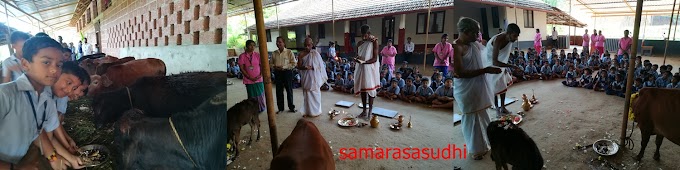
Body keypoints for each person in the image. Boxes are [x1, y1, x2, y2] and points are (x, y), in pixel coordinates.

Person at [0, 36, 85, 170]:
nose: (54, 70)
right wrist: (14, 168)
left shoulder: (46, 101)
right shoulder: (5, 94)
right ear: (25, 64)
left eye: (59, 65)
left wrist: (56, 158)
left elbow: (38, 133)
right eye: (46, 62)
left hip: (24, 158)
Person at [451, 17, 502, 160]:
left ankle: (491, 142)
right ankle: (476, 149)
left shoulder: (474, 45)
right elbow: (460, 73)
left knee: (483, 114)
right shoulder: (457, 47)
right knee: (471, 117)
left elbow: (487, 56)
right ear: (466, 32)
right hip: (466, 89)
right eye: (475, 33)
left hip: (478, 85)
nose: (477, 36)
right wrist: (485, 70)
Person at [51, 62, 90, 154]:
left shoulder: (50, 98)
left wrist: (68, 141)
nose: (69, 90)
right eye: (81, 90)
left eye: (73, 87)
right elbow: (53, 126)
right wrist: (67, 147)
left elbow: (53, 125)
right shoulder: (47, 96)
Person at [482, 23, 521, 115]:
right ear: (508, 33)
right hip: (491, 63)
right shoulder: (498, 40)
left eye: (517, 36)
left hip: (500, 64)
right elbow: (494, 61)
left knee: (503, 85)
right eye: (514, 36)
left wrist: (506, 66)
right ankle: (497, 108)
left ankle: (503, 107)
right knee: (494, 86)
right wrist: (511, 66)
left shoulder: (509, 40)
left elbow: (503, 56)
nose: (516, 39)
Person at [353, 25, 381, 119]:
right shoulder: (360, 43)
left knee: (371, 90)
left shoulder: (374, 42)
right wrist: (356, 59)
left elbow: (374, 58)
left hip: (369, 69)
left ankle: (370, 111)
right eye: (362, 35)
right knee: (363, 90)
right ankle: (364, 110)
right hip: (361, 68)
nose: (363, 37)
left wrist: (365, 62)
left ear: (369, 34)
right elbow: (358, 55)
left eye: (365, 35)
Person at [297, 37, 328, 117]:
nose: (307, 47)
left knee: (316, 94)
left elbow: (321, 66)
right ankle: (308, 111)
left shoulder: (316, 54)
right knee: (307, 95)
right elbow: (299, 66)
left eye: (308, 45)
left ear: (312, 45)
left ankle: (316, 111)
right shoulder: (301, 54)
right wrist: (305, 67)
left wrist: (313, 67)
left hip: (314, 77)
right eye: (305, 45)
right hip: (306, 77)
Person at [271, 37, 297, 114]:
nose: (278, 43)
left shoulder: (289, 52)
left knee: (289, 90)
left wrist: (284, 67)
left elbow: (294, 63)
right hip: (277, 73)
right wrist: (274, 67)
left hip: (287, 73)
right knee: (279, 91)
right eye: (277, 42)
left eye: (280, 42)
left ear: (284, 43)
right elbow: (270, 63)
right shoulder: (274, 53)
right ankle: (280, 108)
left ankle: (291, 107)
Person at [238, 40, 266, 112]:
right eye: (251, 45)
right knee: (251, 95)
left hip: (258, 79)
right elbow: (242, 68)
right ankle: (253, 110)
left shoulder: (257, 55)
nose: (252, 47)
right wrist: (249, 77)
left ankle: (261, 108)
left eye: (254, 45)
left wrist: (260, 75)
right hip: (248, 80)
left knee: (260, 94)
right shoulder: (242, 56)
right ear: (246, 46)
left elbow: (262, 65)